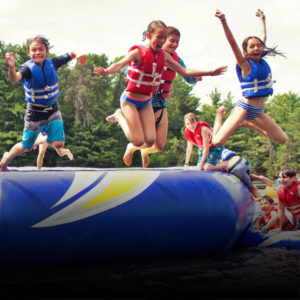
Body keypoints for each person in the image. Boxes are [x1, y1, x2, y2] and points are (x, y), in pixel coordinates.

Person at [94, 20, 227, 166]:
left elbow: (185, 72)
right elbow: (121, 65)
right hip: (134, 100)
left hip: (150, 102)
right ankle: (120, 116)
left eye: (169, 39)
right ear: (151, 36)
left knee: (153, 142)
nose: (167, 42)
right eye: (163, 38)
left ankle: (142, 150)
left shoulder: (168, 57)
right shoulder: (139, 52)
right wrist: (107, 71)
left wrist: (209, 72)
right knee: (139, 140)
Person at [122, 26, 212, 168]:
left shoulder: (175, 59)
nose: (174, 45)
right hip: (146, 101)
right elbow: (130, 71)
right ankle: (130, 147)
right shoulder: (147, 54)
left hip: (161, 102)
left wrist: (196, 77)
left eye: (177, 42)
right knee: (144, 138)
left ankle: (143, 153)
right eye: (171, 41)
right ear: (162, 40)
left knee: (159, 145)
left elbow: (187, 76)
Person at [0, 36, 86, 171]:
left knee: (59, 144)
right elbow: (15, 78)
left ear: (47, 52)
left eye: (41, 49)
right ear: (28, 53)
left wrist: (79, 54)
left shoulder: (53, 63)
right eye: (34, 50)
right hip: (35, 113)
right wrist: (11, 67)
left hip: (53, 110)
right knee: (26, 147)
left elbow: (72, 53)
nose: (37, 52)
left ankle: (41, 139)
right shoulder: (27, 70)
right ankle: (5, 160)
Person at [212, 9, 287, 148]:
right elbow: (232, 43)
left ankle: (246, 123)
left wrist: (262, 19)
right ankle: (219, 115)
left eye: (258, 46)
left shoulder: (261, 61)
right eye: (252, 46)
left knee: (282, 139)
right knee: (217, 142)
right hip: (244, 108)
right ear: (245, 52)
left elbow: (263, 36)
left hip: (258, 110)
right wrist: (223, 21)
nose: (256, 48)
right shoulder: (245, 65)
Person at [272, 167, 300, 231]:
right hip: (297, 219)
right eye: (279, 177)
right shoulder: (279, 190)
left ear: (293, 178)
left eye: (284, 177)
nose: (281, 180)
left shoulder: (298, 188)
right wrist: (280, 227)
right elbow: (281, 209)